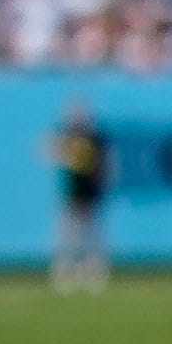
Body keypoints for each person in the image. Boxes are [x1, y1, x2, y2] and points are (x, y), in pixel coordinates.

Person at [46, 102, 109, 292]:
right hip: (73, 193)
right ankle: (64, 272)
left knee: (92, 237)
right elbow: (50, 151)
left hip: (90, 192)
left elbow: (104, 166)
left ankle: (94, 273)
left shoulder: (96, 138)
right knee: (68, 236)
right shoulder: (68, 137)